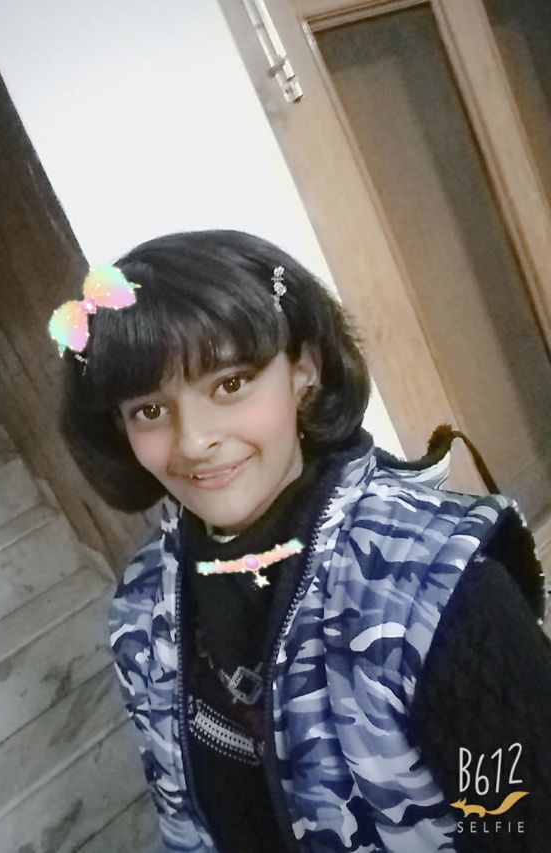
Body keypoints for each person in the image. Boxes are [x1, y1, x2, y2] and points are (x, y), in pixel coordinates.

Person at [55, 230, 551, 852]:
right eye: (149, 411)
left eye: (230, 385)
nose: (193, 442)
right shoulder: (142, 608)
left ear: (304, 370)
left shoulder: (436, 591)